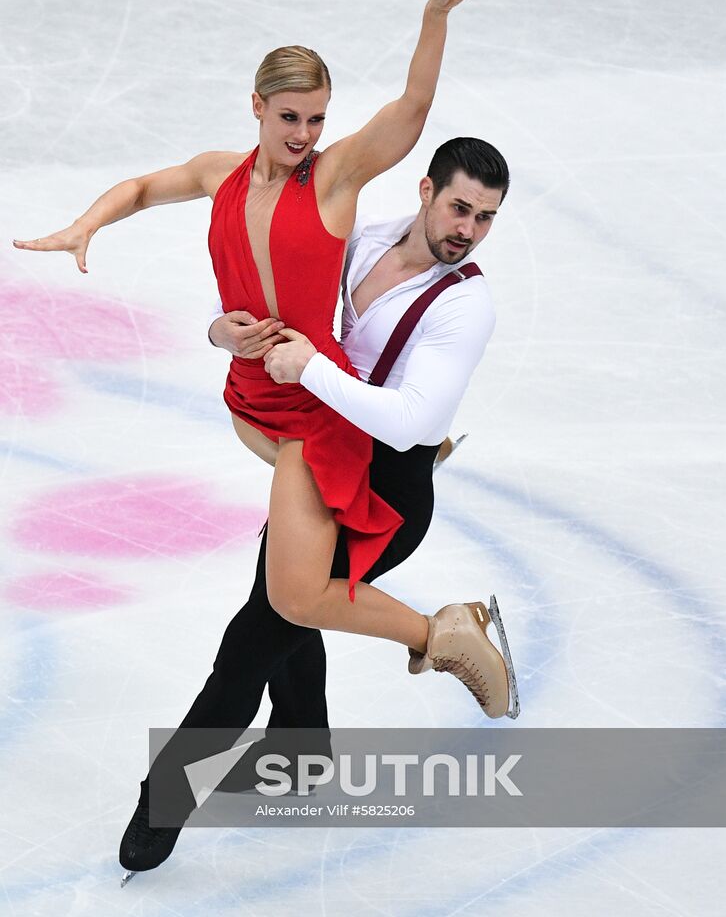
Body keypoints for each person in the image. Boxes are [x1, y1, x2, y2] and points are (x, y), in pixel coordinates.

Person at [13, 0, 497, 673]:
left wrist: (435, 17)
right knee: (281, 600)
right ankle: (305, 743)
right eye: (290, 117)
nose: (304, 134)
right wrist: (88, 225)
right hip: (249, 399)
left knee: (291, 598)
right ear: (258, 108)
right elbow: (147, 186)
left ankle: (442, 634)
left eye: (316, 118)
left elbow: (412, 109)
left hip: (308, 407)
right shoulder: (221, 174)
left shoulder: (332, 177)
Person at [118, 137, 517, 878]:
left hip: (385, 492)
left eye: (485, 218)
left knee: (255, 633)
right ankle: (302, 746)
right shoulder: (361, 237)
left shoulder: (465, 304)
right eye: (460, 207)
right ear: (426, 191)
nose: (467, 229)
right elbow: (272, 296)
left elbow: (403, 421)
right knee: (283, 610)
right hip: (317, 459)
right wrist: (222, 327)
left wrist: (306, 370)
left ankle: (165, 798)